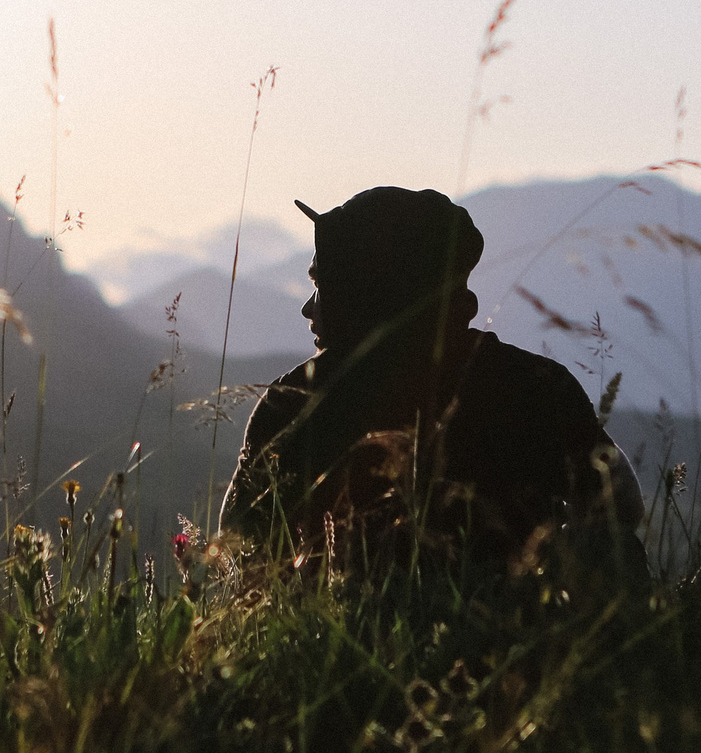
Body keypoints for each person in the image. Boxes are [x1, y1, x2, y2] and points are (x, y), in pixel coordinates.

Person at [219, 186, 648, 587]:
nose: (308, 308)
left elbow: (240, 544)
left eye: (321, 285)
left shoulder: (295, 402)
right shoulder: (537, 386)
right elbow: (623, 504)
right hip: (511, 643)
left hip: (341, 645)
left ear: (363, 291)